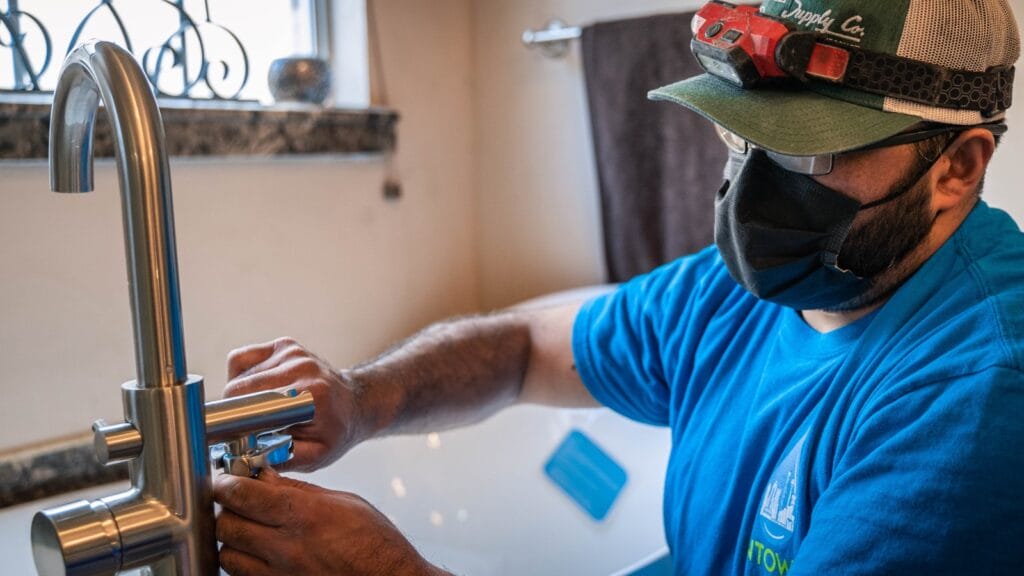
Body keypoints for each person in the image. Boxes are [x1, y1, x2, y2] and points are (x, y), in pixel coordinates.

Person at [212, 0, 1024, 574]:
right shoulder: (732, 293)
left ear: (955, 167)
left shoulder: (973, 402)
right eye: (739, 135)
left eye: (805, 156)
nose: (751, 191)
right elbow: (527, 349)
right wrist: (361, 398)